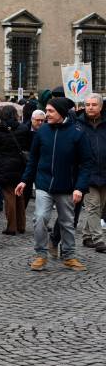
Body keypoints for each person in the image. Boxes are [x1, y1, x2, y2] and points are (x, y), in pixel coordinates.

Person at [15, 97, 93, 272]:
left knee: (67, 222)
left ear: (61, 113)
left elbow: (87, 163)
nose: (46, 114)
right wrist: (24, 180)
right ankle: (41, 255)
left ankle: (69, 256)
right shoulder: (42, 132)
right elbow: (33, 159)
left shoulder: (77, 133)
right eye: (46, 111)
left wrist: (79, 187)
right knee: (40, 218)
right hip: (43, 184)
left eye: (50, 111)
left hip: (67, 186)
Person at [0, 106, 31, 235]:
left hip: (4, 166)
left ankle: (11, 227)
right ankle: (21, 225)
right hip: (20, 165)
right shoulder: (23, 129)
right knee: (20, 196)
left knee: (9, 196)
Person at [76, 93, 106, 253]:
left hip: (104, 172)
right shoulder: (78, 124)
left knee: (99, 207)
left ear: (100, 107)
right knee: (93, 207)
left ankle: (87, 236)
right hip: (86, 173)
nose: (90, 107)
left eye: (94, 105)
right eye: (87, 104)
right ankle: (99, 240)